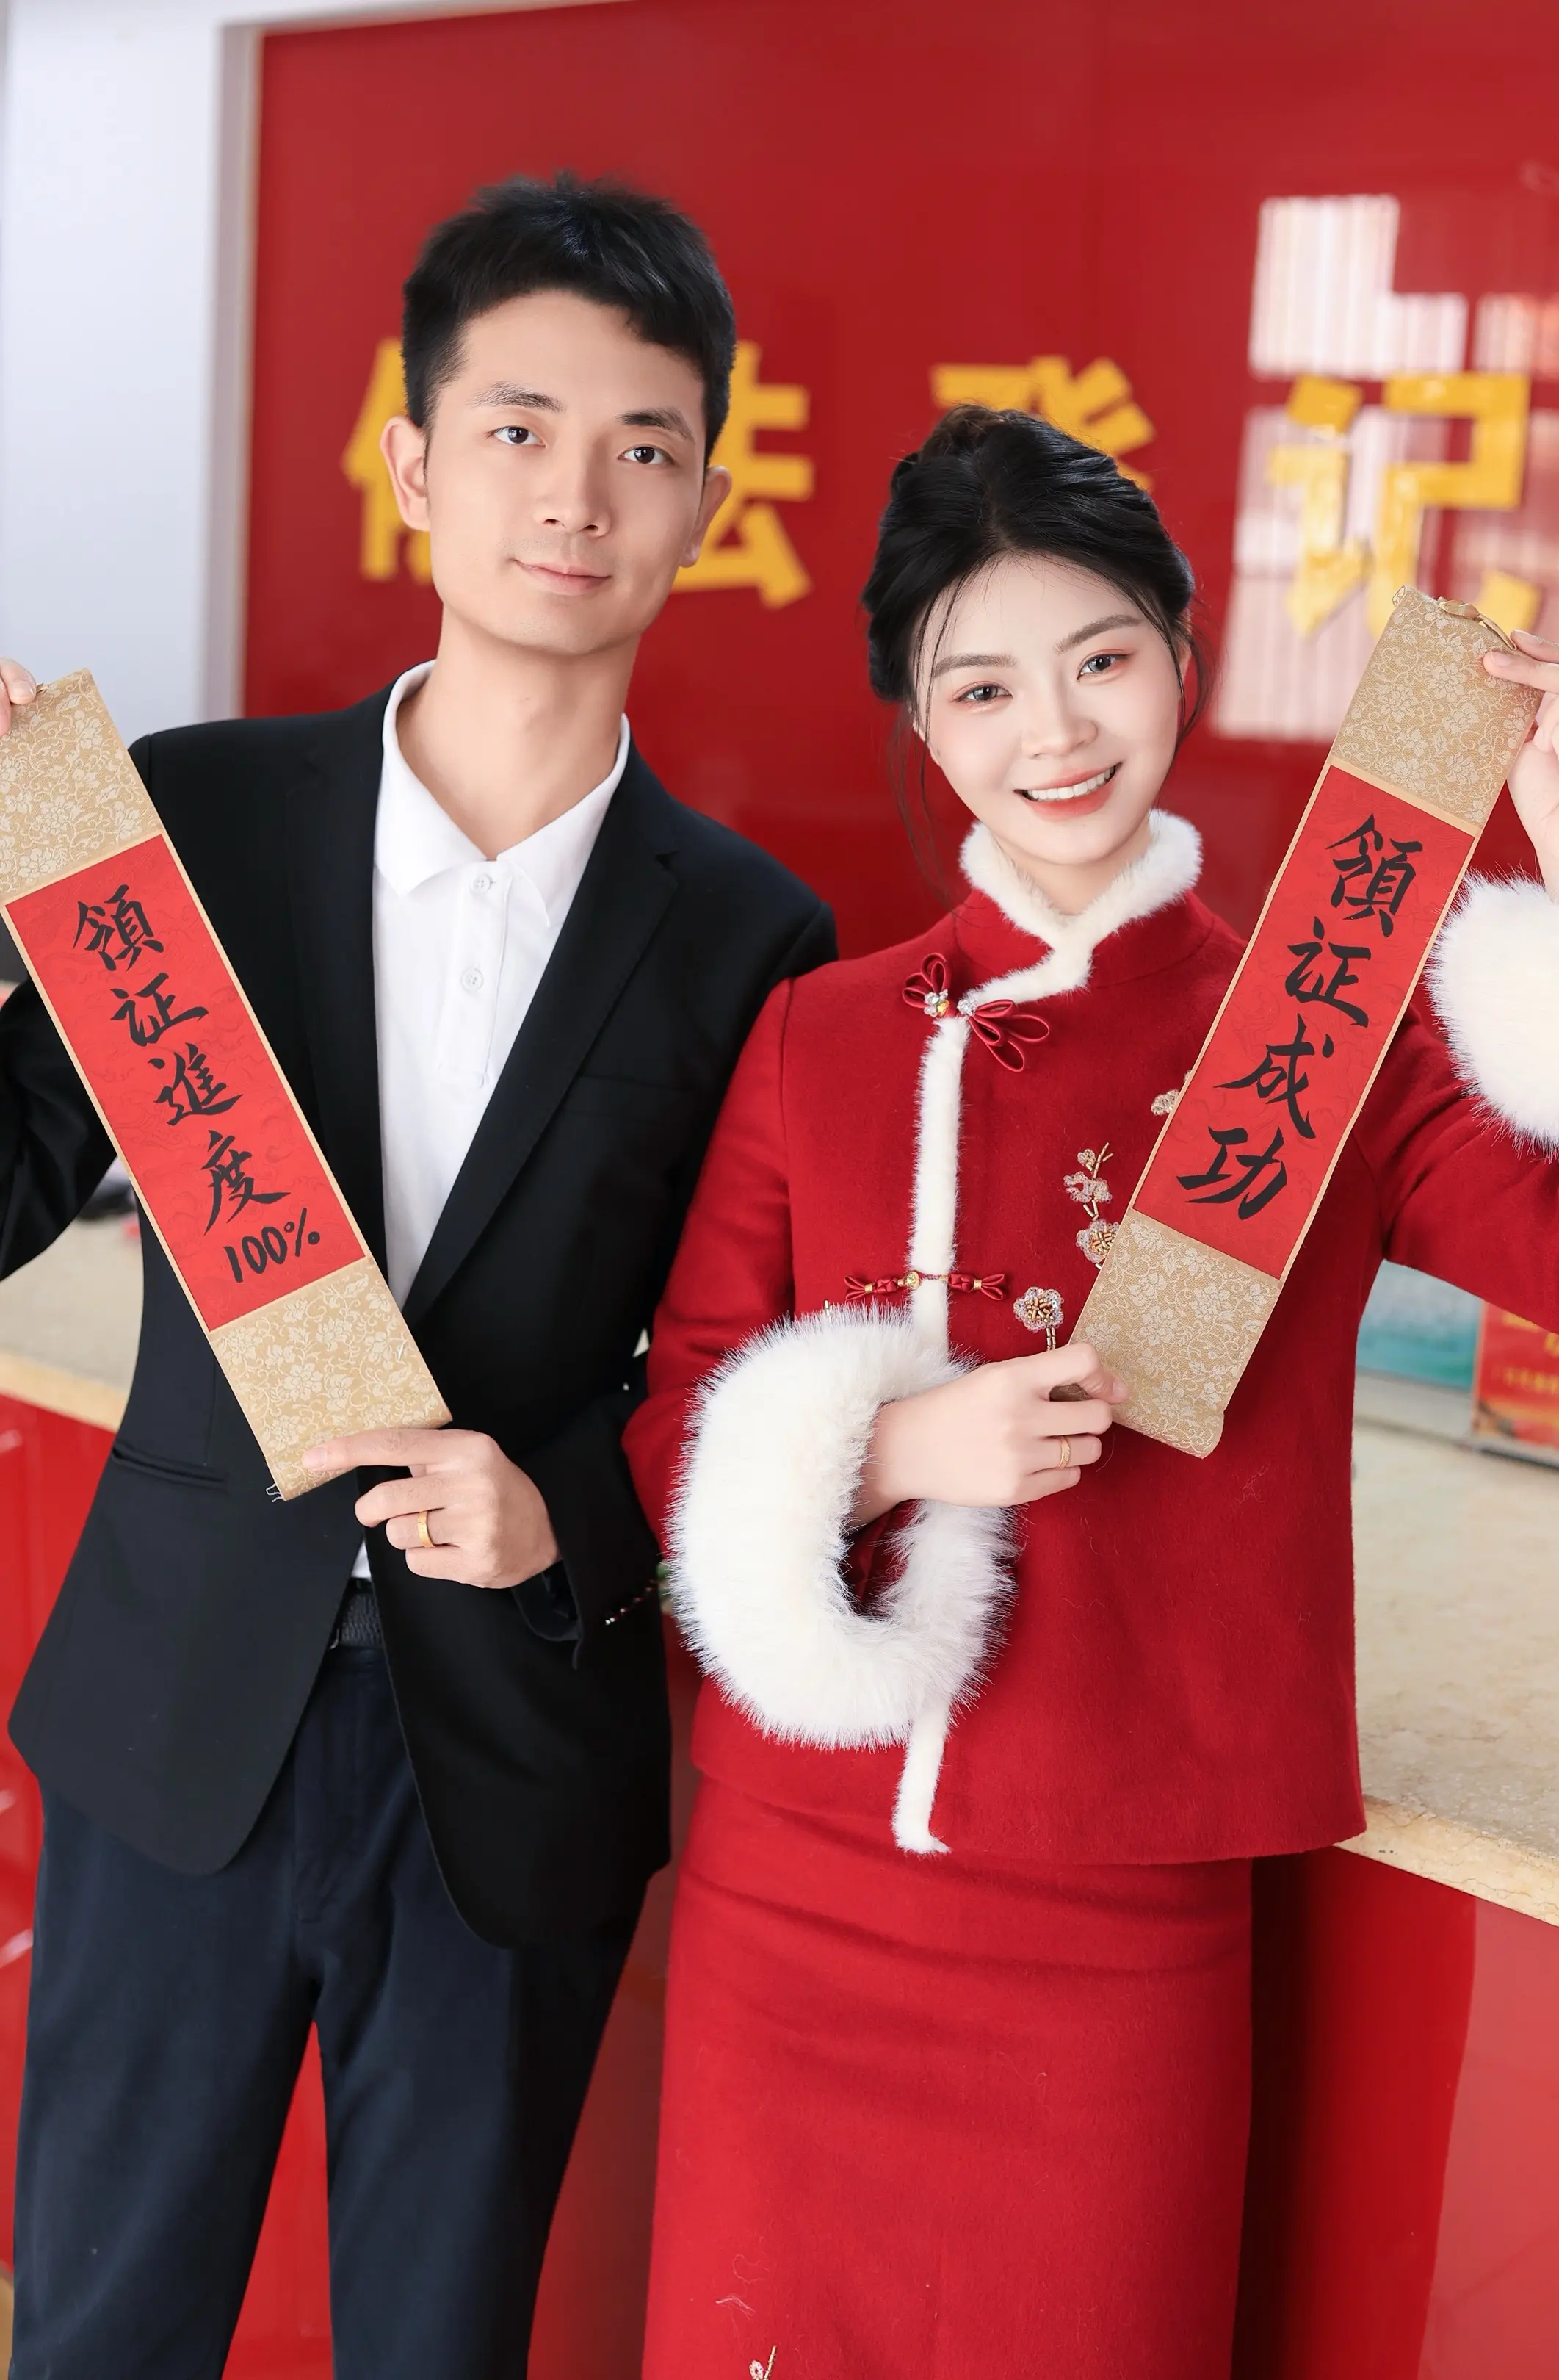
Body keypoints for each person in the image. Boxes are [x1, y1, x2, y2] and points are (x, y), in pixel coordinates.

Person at [622, 405, 1559, 2378]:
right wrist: (893, 1445)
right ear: (921, 723)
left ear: (1183, 660)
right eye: (981, 687)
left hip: (1120, 1903)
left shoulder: (1322, 1035)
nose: (1052, 733)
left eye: (1100, 659)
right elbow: (677, 1422)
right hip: (797, 1889)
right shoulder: (819, 1035)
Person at [0, 174, 833, 2379]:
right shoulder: (186, 825)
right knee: (97, 2333)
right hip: (180, 1724)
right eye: (518, 428)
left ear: (705, 505)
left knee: (438, 2347)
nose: (576, 494)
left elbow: (752, 1379)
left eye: (644, 446)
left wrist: (566, 1512)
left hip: (510, 1759)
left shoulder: (757, 940)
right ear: (413, 462)